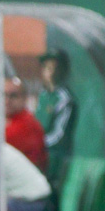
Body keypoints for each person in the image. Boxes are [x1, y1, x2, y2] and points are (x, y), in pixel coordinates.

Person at [0, 77, 47, 172]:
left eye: (13, 96)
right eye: (3, 95)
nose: (7, 101)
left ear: (24, 98)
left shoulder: (28, 124)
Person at [35, 48, 77, 191]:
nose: (48, 72)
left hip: (55, 159)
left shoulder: (64, 99)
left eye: (52, 68)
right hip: (39, 155)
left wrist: (39, 144)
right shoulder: (43, 96)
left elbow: (59, 135)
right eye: (45, 67)